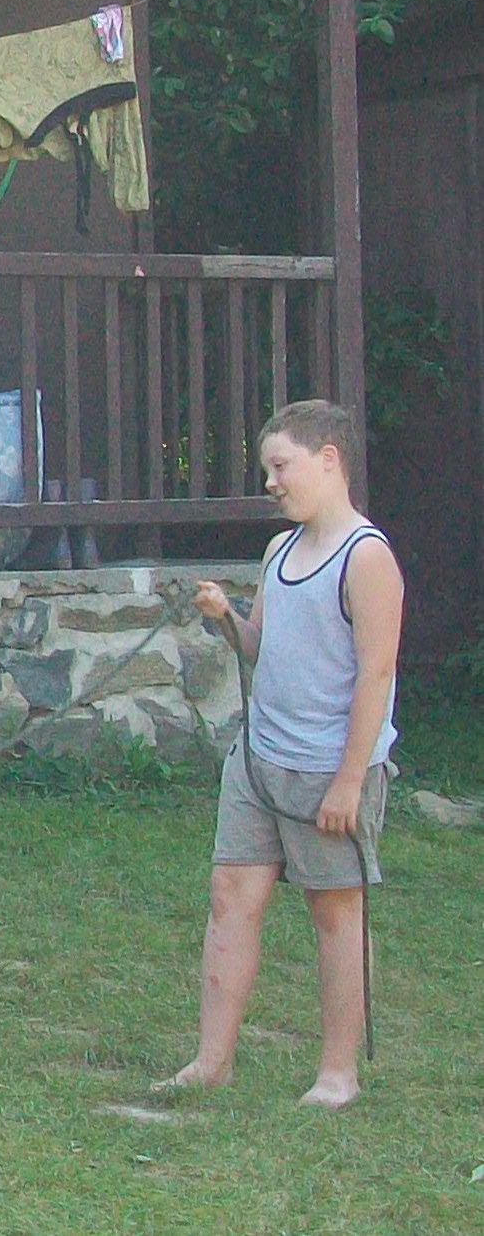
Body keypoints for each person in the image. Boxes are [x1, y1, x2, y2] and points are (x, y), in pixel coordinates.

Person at [161, 400, 400, 1111]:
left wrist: (349, 781)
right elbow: (259, 649)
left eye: (279, 466)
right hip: (258, 760)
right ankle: (210, 1063)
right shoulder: (279, 551)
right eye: (267, 469)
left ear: (328, 460)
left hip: (328, 770)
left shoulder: (366, 557)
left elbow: (376, 675)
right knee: (229, 899)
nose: (269, 482)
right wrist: (224, 617)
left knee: (335, 915)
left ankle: (337, 1074)